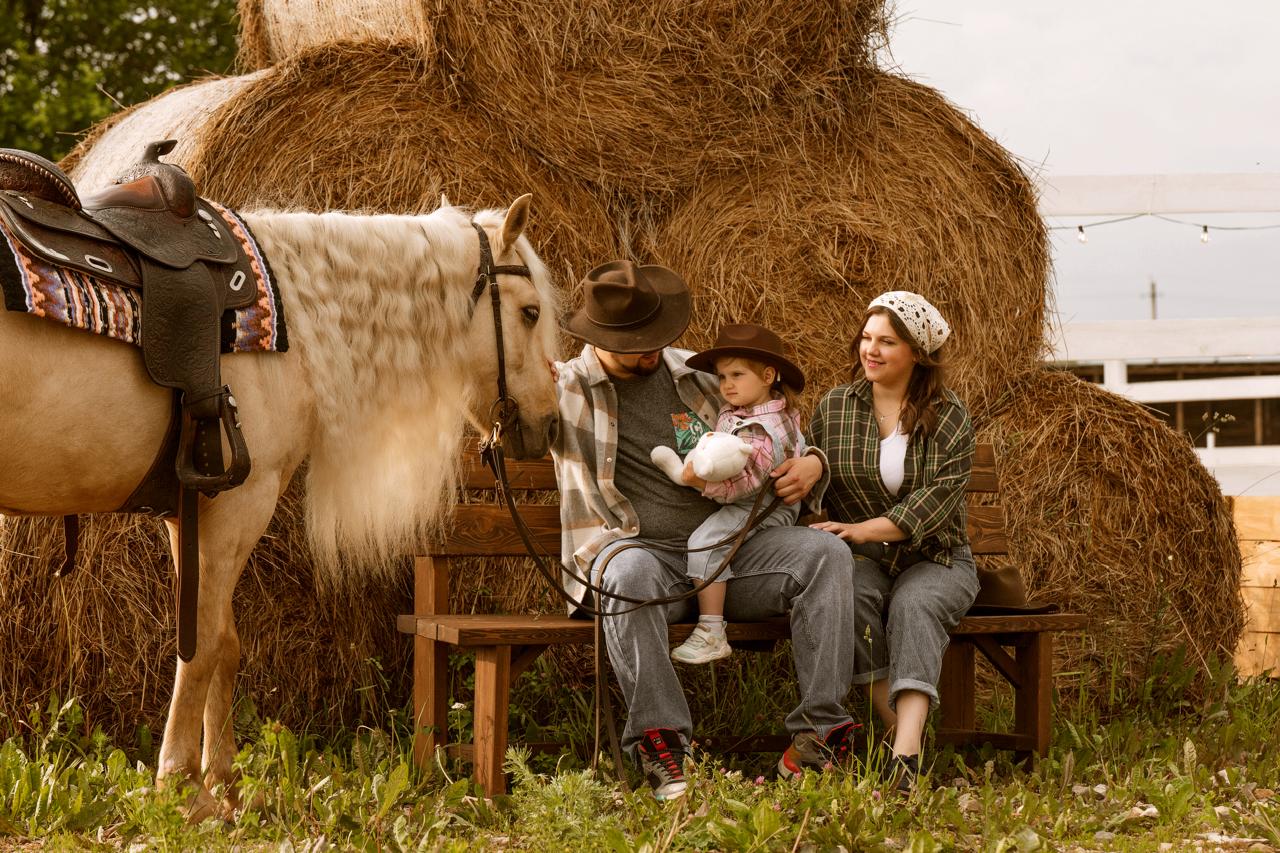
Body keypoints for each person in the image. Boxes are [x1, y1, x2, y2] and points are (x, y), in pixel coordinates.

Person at [551, 260, 859, 800]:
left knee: (825, 555)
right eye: (636, 343)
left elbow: (769, 431)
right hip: (643, 556)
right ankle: (661, 741)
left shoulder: (698, 374)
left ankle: (817, 736)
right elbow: (505, 414)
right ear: (601, 337)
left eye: (658, 336)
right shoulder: (567, 387)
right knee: (627, 570)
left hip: (731, 557)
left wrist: (813, 461)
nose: (652, 350)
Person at [806, 291, 977, 793]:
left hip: (937, 556)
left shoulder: (948, 415)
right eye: (866, 338)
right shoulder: (836, 406)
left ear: (918, 354)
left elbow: (936, 502)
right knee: (850, 593)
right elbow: (813, 471)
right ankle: (901, 739)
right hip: (862, 559)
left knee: (915, 604)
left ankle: (902, 757)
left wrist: (860, 528)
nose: (871, 350)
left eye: (887, 342)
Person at [653, 324, 808, 666]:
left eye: (737, 375)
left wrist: (701, 484)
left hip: (760, 504)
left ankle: (711, 630)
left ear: (768, 375)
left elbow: (748, 481)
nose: (726, 385)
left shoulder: (766, 427)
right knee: (709, 540)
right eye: (722, 377)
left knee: (704, 543)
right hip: (748, 499)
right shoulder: (742, 411)